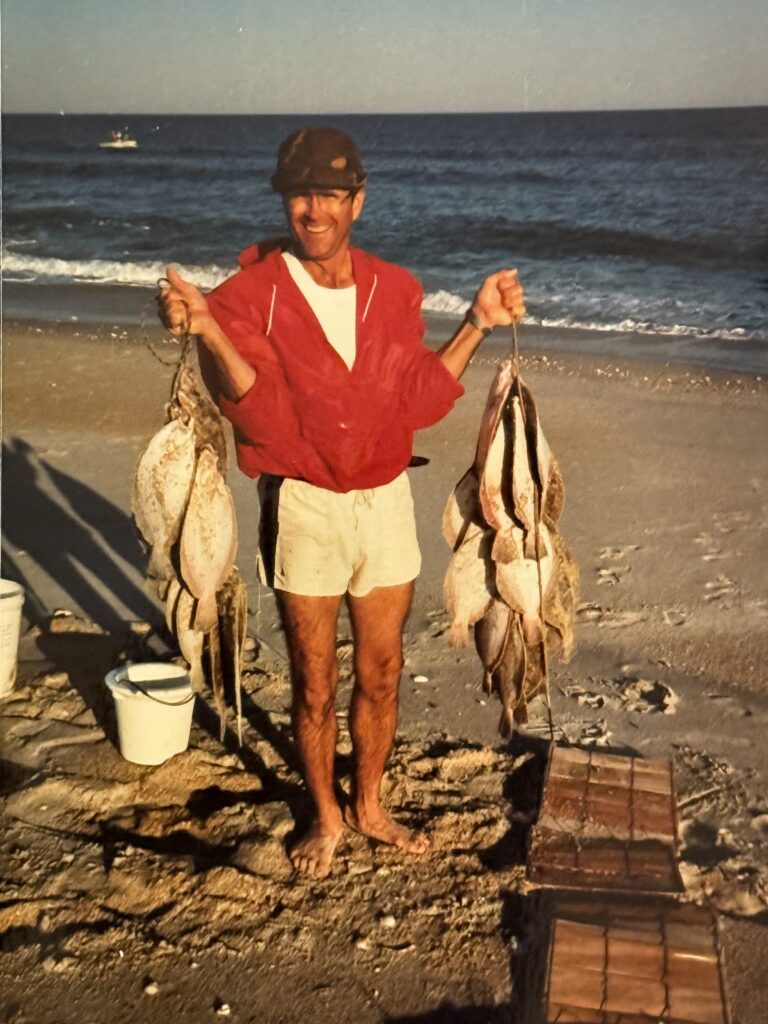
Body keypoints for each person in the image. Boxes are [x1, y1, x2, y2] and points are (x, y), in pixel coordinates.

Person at [157, 127, 525, 878]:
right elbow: (247, 406)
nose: (314, 210)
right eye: (300, 194)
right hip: (305, 507)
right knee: (315, 679)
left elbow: (419, 400)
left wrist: (479, 321)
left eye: (329, 194)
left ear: (358, 199)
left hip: (384, 500)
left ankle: (370, 803)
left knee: (383, 672)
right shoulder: (249, 297)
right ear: (285, 202)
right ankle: (326, 815)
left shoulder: (395, 289)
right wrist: (200, 326)